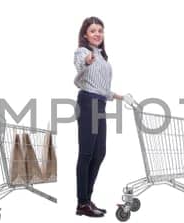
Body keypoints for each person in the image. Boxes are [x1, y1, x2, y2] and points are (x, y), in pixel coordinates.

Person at [73, 16, 125, 218]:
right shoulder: (83, 52)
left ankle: (87, 199)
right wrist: (86, 61)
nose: (97, 34)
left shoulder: (102, 56)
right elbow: (80, 65)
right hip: (88, 103)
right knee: (86, 153)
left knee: (99, 153)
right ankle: (82, 202)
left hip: (100, 103)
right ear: (85, 34)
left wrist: (119, 96)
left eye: (100, 31)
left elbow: (102, 88)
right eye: (93, 31)